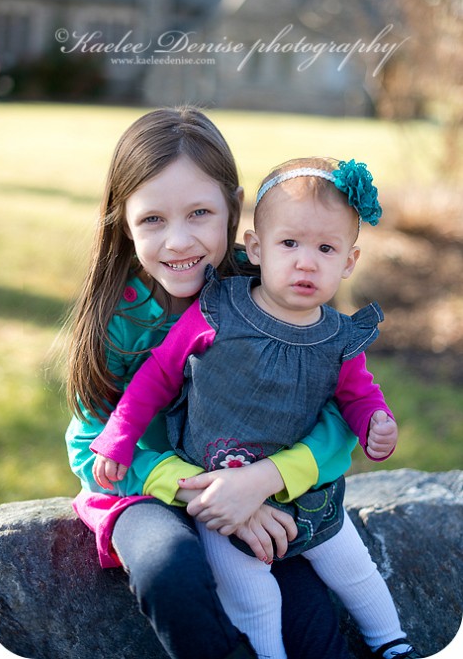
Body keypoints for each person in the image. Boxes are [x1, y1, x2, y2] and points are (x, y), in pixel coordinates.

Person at [91, 156, 422, 659]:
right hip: (214, 492)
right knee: (248, 590)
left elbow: (356, 397)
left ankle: (392, 643)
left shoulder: (336, 335)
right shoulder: (219, 308)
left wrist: (376, 422)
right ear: (257, 247)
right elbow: (154, 378)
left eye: (326, 248)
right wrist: (117, 438)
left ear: (349, 262)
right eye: (290, 244)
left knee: (349, 570)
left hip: (298, 494)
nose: (306, 262)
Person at [65, 108, 359, 659]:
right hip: (149, 490)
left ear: (233, 207)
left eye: (199, 212)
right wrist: (207, 491)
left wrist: (262, 480)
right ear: (121, 220)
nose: (178, 241)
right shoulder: (119, 315)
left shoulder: (273, 293)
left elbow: (341, 414)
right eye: (153, 219)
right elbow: (88, 442)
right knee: (169, 569)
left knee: (307, 615)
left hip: (260, 486)